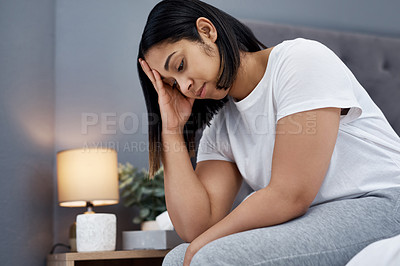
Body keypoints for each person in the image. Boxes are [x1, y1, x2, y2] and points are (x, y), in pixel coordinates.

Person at [137, 0, 400, 265]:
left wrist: (204, 244)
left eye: (180, 66)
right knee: (176, 259)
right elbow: (196, 227)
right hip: (316, 215)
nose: (184, 87)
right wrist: (171, 130)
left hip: (383, 201)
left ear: (207, 31)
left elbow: (289, 195)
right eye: (172, 83)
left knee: (211, 257)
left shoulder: (300, 60)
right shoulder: (222, 126)